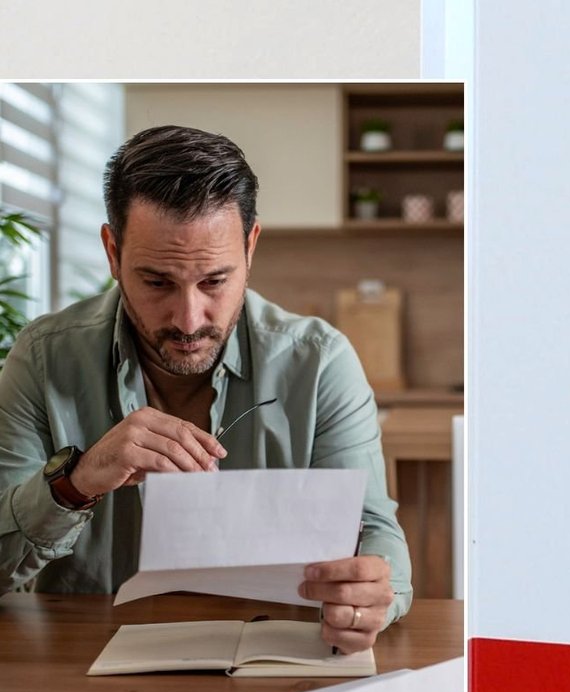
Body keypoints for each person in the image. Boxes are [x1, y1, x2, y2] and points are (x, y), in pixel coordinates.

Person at [0, 125, 411, 654]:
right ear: (112, 251)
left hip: (278, 662)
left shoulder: (319, 362)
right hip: (81, 669)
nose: (189, 319)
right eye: (157, 282)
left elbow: (375, 532)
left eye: (214, 281)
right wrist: (76, 482)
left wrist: (377, 593)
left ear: (251, 245)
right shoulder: (42, 358)